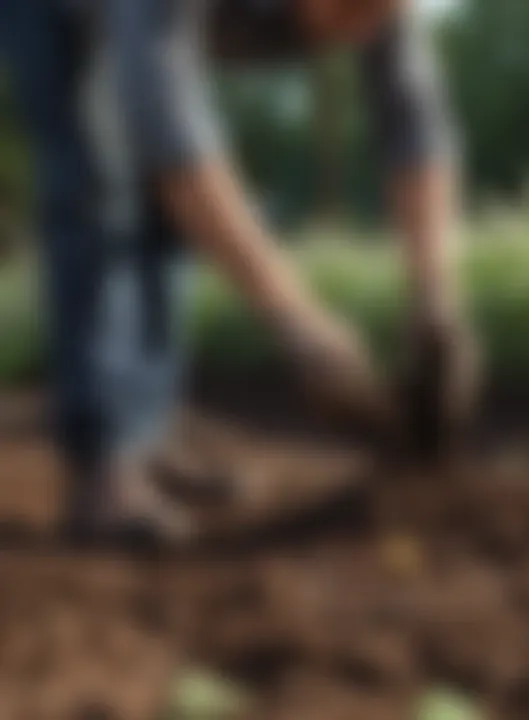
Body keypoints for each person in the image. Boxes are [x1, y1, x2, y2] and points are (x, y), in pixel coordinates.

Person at [0, 0, 473, 542]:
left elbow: (417, 130)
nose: (358, 34)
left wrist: (436, 300)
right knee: (100, 187)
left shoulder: (379, 13)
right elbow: (174, 149)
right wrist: (298, 322)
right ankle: (104, 467)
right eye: (347, 15)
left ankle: (146, 436)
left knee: (161, 217)